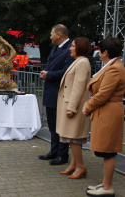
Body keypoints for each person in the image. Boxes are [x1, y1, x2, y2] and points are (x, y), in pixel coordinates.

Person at [83, 37, 125, 197]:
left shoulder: (114, 68)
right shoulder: (113, 65)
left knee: (108, 151)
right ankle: (105, 184)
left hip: (108, 112)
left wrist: (88, 106)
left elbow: (103, 94)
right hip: (106, 111)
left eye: (99, 51)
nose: (98, 54)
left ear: (105, 52)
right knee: (105, 151)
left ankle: (108, 187)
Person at [38, 24, 74, 165]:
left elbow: (67, 71)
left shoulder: (70, 48)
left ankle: (62, 154)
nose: (50, 37)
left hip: (60, 93)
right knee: (52, 125)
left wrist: (49, 75)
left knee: (61, 126)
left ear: (59, 34)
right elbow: (51, 65)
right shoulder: (55, 48)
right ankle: (54, 151)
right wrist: (45, 72)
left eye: (52, 34)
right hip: (50, 93)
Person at [56, 37, 91, 179]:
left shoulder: (82, 62)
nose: (70, 48)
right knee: (71, 138)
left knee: (73, 138)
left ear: (80, 48)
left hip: (73, 107)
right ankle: (74, 165)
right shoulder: (79, 61)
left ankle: (81, 167)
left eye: (73, 46)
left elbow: (78, 87)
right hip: (71, 105)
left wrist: (72, 107)